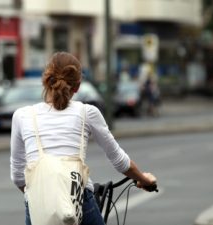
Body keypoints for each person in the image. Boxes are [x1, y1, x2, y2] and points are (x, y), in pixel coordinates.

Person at [10, 52, 157, 225]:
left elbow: (18, 176)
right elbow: (119, 161)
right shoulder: (88, 113)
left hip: (37, 206)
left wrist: (47, 199)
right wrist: (143, 179)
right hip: (79, 199)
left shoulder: (22, 116)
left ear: (46, 79)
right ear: (77, 86)